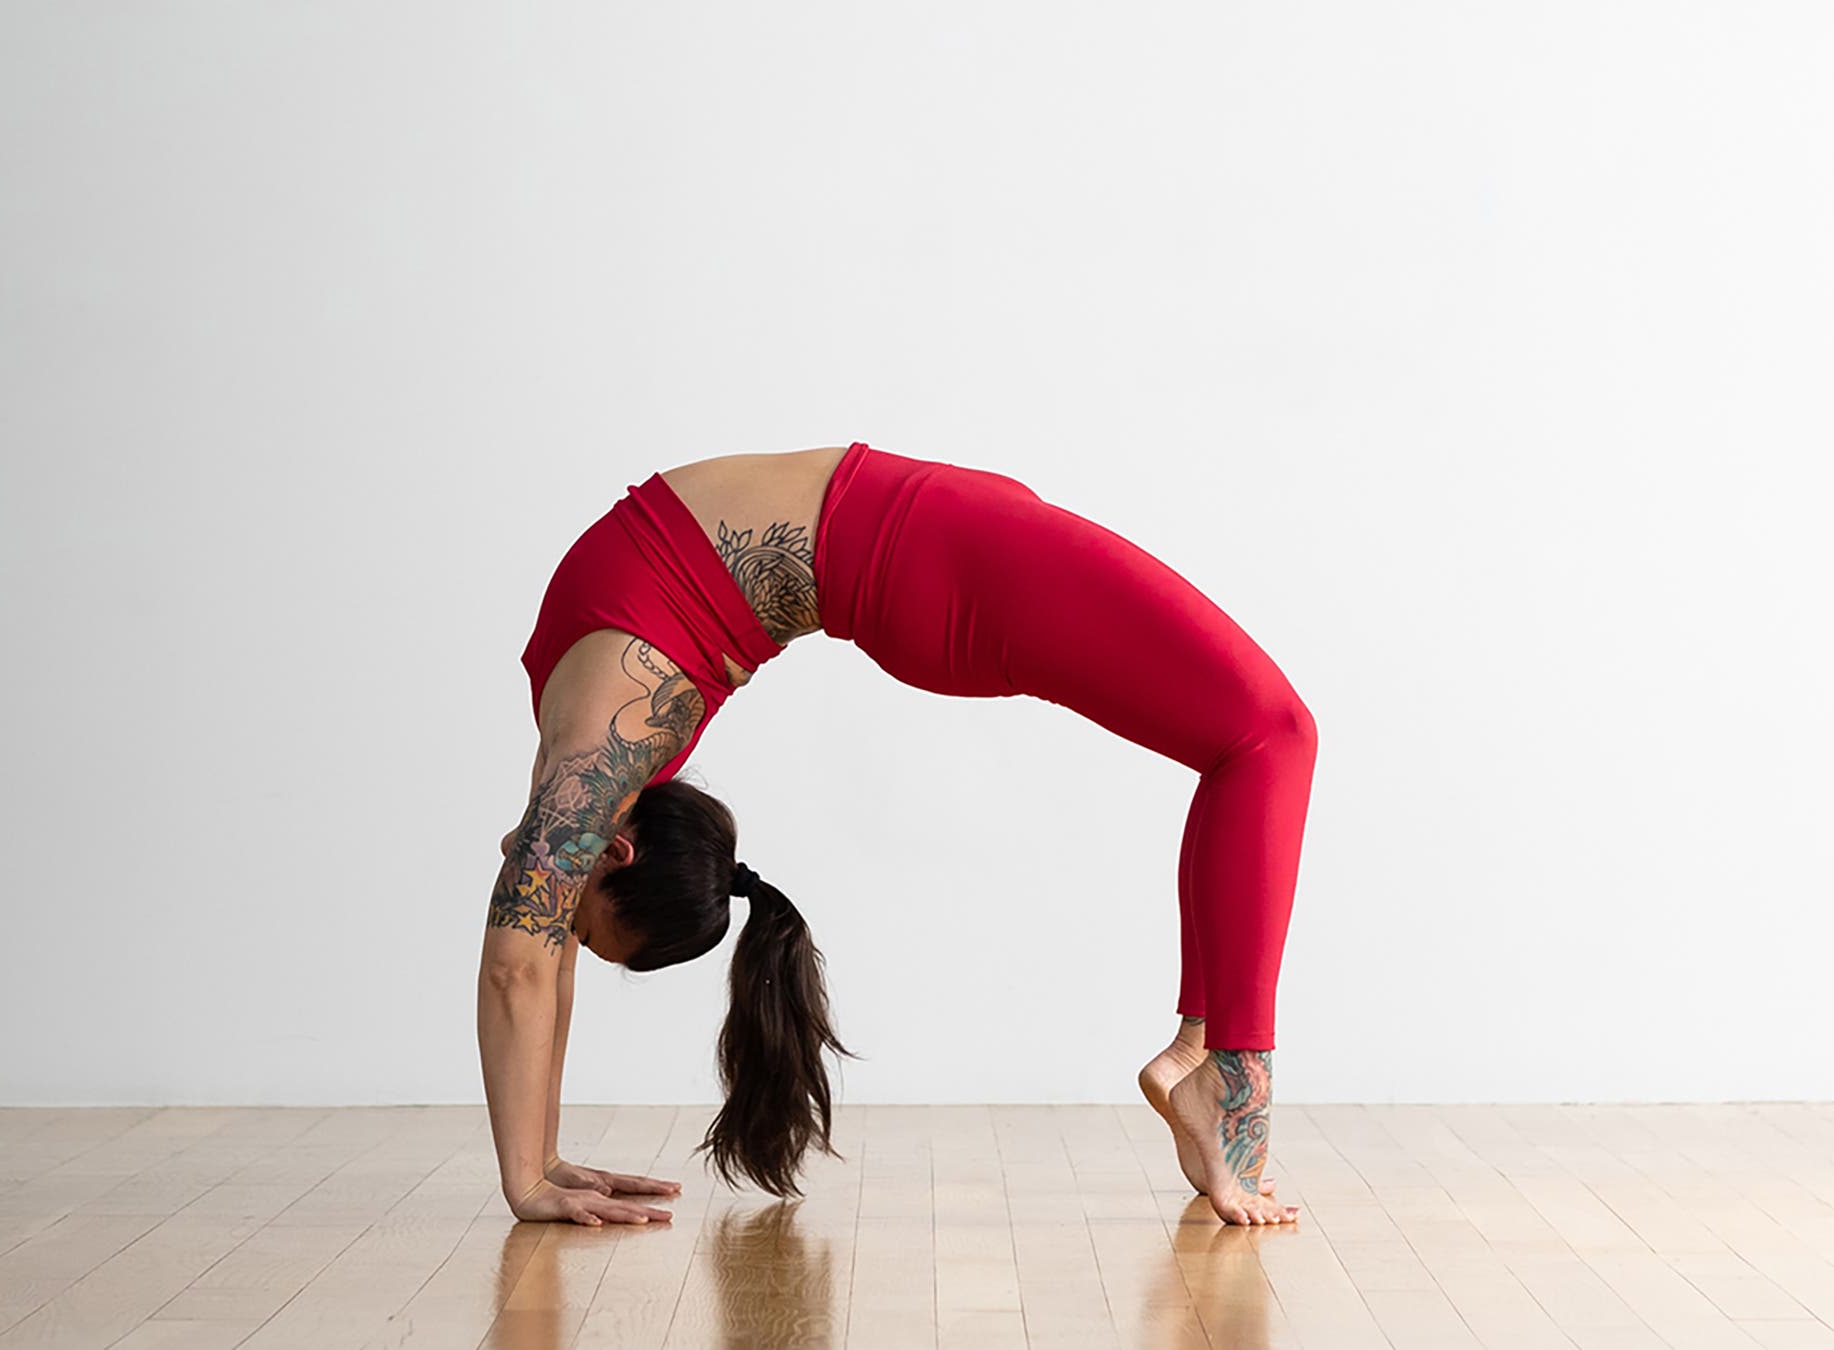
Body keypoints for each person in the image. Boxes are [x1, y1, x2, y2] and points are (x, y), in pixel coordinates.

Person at [482, 442, 1318, 1227]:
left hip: (928, 546)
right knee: (1270, 734)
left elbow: (522, 962)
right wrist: (536, 1165)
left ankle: (1205, 1059)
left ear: (617, 854)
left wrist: (531, 1170)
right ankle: (1227, 1074)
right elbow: (533, 957)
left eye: (581, 924)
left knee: (1255, 738)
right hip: (927, 555)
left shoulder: (595, 754)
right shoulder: (597, 759)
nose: (559, 926)